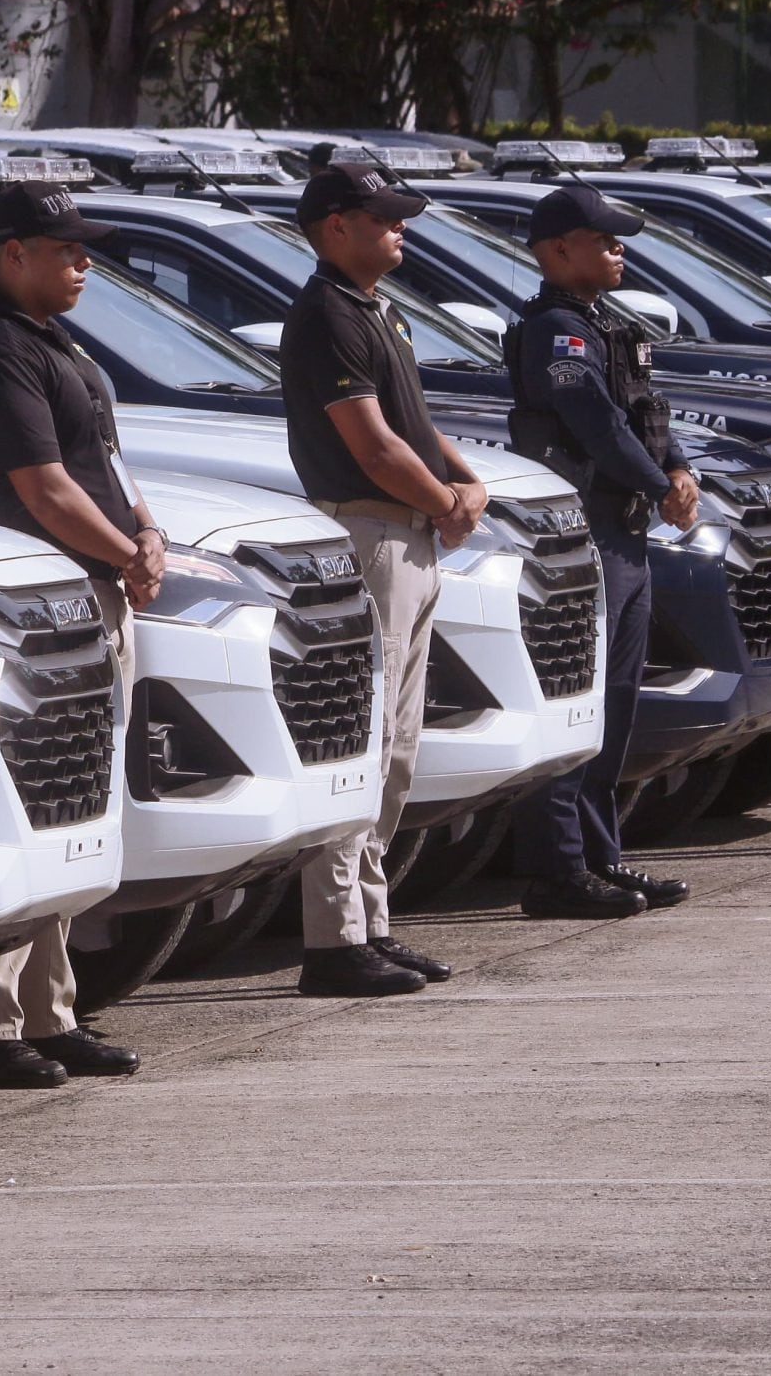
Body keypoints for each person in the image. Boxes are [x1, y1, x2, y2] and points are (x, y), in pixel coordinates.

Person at [0, 182, 155, 1088]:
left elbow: (103, 463)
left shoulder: (53, 341)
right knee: (24, 803)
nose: (83, 262)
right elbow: (44, 487)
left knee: (73, 806)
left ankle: (50, 1011)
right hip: (32, 611)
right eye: (65, 249)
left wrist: (147, 533)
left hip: (90, 592)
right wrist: (126, 554)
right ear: (10, 253)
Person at [283, 159, 486, 989]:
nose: (399, 228)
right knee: (359, 741)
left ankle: (370, 918)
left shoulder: (375, 310)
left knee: (397, 748)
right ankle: (333, 940)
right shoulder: (328, 313)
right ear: (337, 225)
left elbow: (415, 423)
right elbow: (371, 446)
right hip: (371, 533)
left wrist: (465, 482)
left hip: (411, 534)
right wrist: (446, 499)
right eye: (383, 216)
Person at [501, 182, 696, 918]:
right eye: (604, 237)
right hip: (583, 534)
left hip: (626, 529)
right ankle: (555, 869)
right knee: (574, 700)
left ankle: (599, 856)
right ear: (557, 251)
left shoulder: (604, 322)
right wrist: (661, 481)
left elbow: (642, 413)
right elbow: (594, 424)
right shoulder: (557, 329)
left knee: (612, 704)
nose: (620, 247)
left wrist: (675, 468)